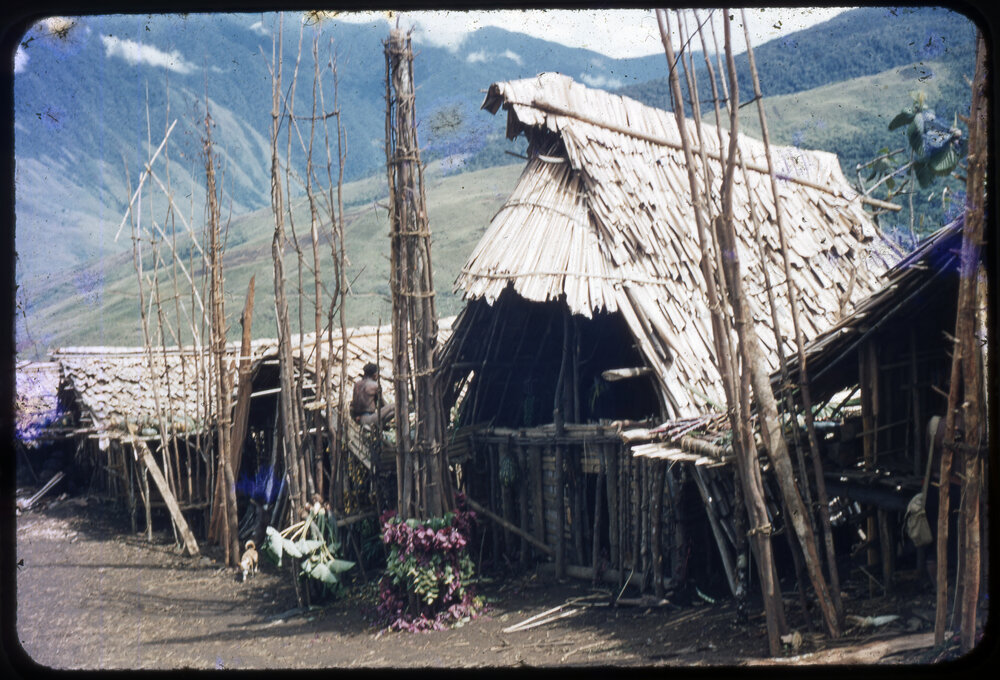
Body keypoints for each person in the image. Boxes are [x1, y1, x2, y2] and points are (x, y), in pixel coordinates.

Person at [350, 362, 394, 428]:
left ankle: (378, 425)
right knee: (394, 407)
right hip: (369, 418)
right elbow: (382, 404)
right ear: (374, 375)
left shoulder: (357, 384)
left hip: (357, 418)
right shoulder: (375, 386)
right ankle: (379, 425)